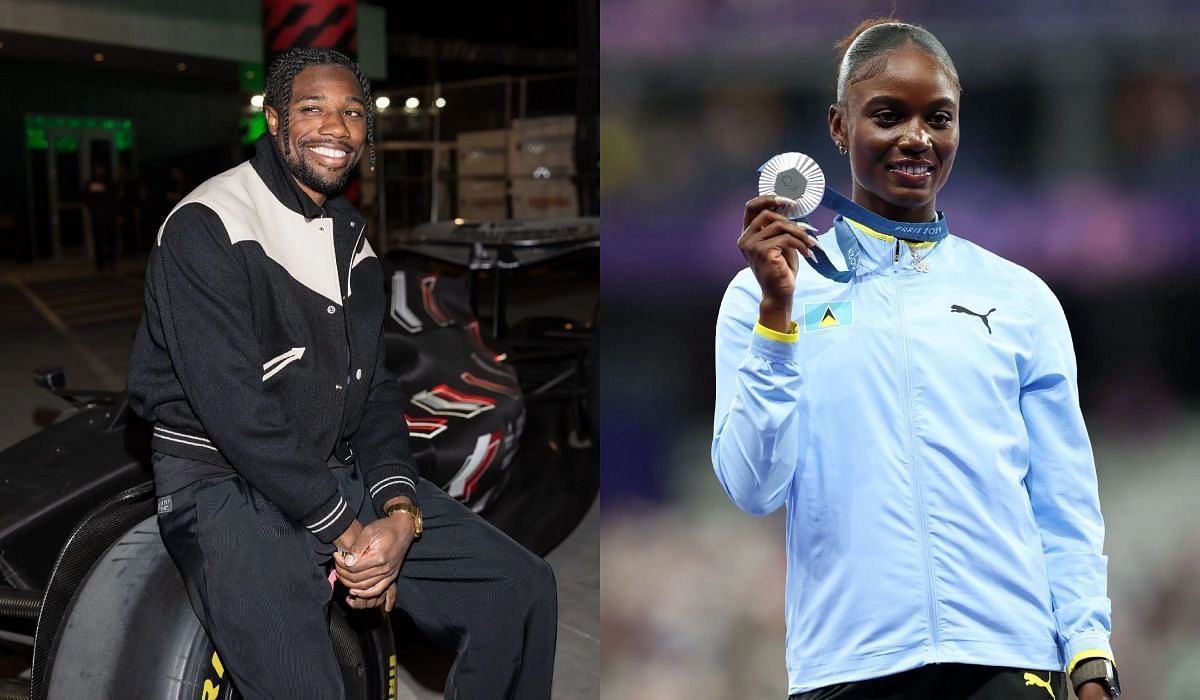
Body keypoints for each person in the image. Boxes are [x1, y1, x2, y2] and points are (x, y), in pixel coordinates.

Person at [127, 47, 556, 699]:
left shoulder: (349, 235)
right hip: (223, 486)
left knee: (520, 592)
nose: (337, 127)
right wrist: (353, 539)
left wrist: (399, 512)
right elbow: (236, 410)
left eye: (352, 112)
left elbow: (376, 390)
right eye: (313, 109)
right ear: (273, 122)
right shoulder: (207, 225)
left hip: (328, 467)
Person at [712, 19, 1119, 700]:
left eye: (939, 117)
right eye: (887, 115)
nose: (917, 137)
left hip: (1008, 657)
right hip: (848, 664)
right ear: (839, 128)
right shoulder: (765, 293)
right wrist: (776, 320)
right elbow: (753, 489)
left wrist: (1089, 652)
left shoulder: (1020, 299)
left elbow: (1065, 500)